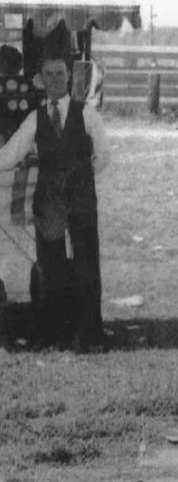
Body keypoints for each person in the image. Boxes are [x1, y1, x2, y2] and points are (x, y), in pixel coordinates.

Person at [0, 51, 111, 350]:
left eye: (60, 74)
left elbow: (103, 156)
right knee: (51, 268)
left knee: (87, 265)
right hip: (49, 202)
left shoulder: (88, 114)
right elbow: (9, 156)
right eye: (48, 75)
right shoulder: (35, 118)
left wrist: (80, 180)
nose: (54, 80)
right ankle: (55, 334)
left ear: (69, 77)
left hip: (81, 199)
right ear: (40, 80)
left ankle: (90, 334)